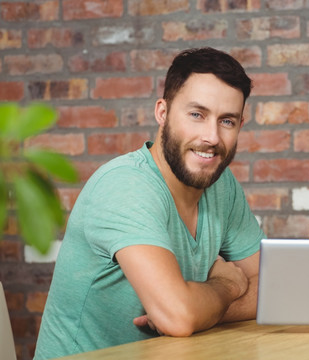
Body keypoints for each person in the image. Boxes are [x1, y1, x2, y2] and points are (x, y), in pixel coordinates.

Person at [34, 47, 265, 359]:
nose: (211, 136)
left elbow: (271, 290)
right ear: (162, 112)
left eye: (227, 121)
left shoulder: (221, 185)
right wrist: (226, 286)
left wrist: (199, 309)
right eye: (197, 115)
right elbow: (179, 316)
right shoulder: (124, 186)